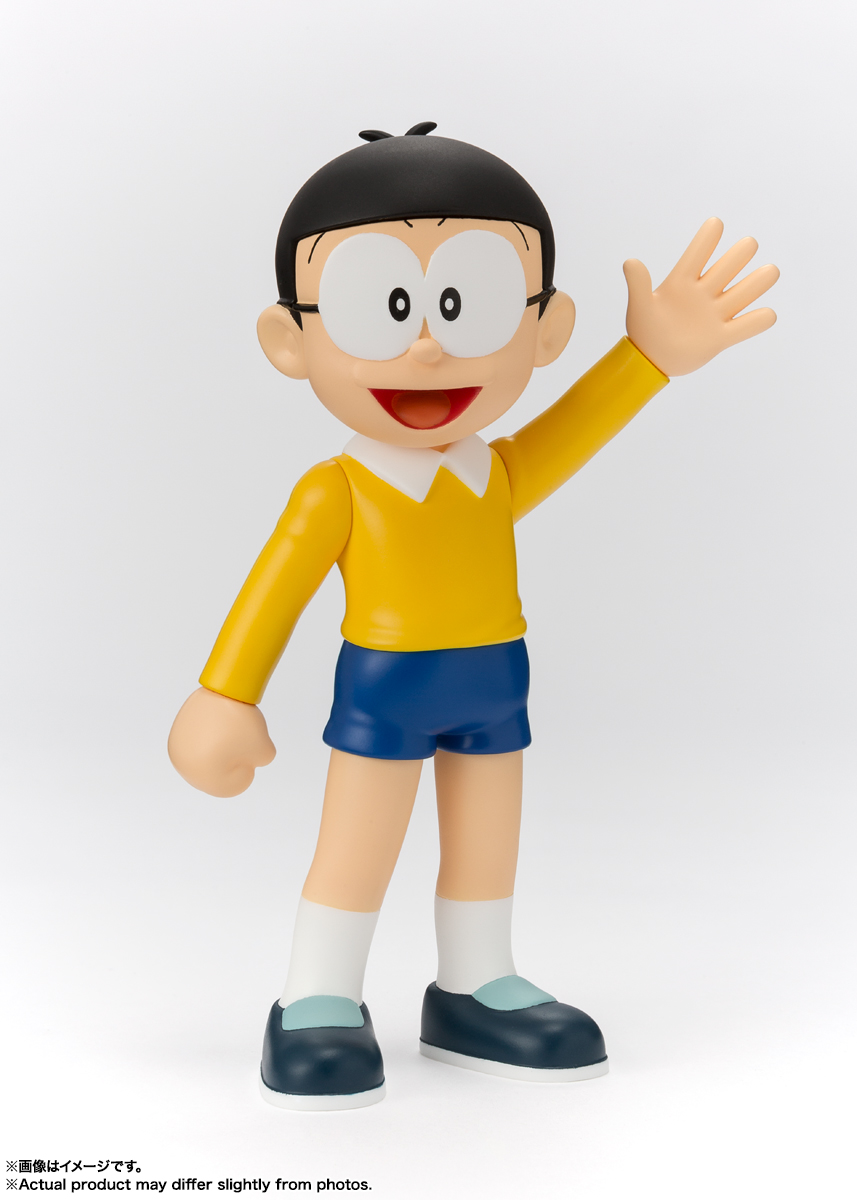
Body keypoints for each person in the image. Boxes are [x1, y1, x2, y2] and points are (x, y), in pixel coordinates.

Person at [168, 123, 779, 1110]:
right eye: (380, 308)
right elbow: (272, 589)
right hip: (385, 687)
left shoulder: (495, 471)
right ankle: (318, 994)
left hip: (496, 681)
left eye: (468, 305)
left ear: (544, 329)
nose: (426, 344)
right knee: (359, 841)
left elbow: (576, 427)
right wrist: (223, 694)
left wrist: (648, 358)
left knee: (488, 840)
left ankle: (475, 983)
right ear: (291, 340)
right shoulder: (337, 490)